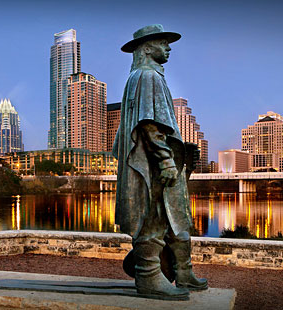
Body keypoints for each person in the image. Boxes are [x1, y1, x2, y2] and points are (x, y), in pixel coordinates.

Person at [112, 24, 208, 300]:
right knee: (153, 217)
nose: (168, 48)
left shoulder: (146, 77)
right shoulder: (145, 77)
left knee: (177, 217)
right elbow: (149, 125)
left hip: (160, 159)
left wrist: (183, 150)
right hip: (152, 163)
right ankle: (149, 275)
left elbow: (156, 126)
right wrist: (165, 161)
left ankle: (183, 270)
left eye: (168, 43)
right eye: (163, 43)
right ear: (146, 47)